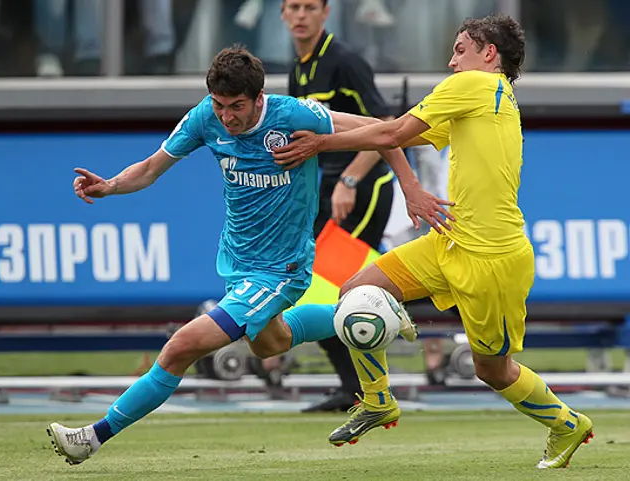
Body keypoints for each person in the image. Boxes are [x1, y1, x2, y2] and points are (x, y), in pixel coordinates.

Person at [46, 45, 452, 466]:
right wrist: (110, 186)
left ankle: (93, 436)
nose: (226, 117)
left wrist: (409, 188)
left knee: (181, 346)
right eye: (219, 105)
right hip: (238, 262)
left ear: (259, 98)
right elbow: (150, 168)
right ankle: (369, 311)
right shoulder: (204, 117)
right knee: (270, 343)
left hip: (281, 269)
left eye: (236, 106)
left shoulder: (293, 115)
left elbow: (383, 131)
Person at [273, 15, 594, 469]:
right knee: (357, 291)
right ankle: (377, 400)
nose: (451, 61)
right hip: (449, 239)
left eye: (460, 50)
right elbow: (399, 136)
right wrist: (407, 183)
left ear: (489, 54)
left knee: (492, 370)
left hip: (492, 259)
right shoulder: (488, 96)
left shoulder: (476, 85)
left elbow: (392, 133)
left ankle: (566, 423)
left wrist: (320, 142)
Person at [276, 0, 396, 412]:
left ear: (325, 13)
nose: (301, 15)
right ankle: (355, 388)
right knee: (317, 291)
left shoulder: (345, 61)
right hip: (327, 191)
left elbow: (387, 128)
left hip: (363, 190)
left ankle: (365, 389)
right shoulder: (298, 68)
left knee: (339, 290)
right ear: (282, 13)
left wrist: (349, 180)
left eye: (309, 7)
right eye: (293, 7)